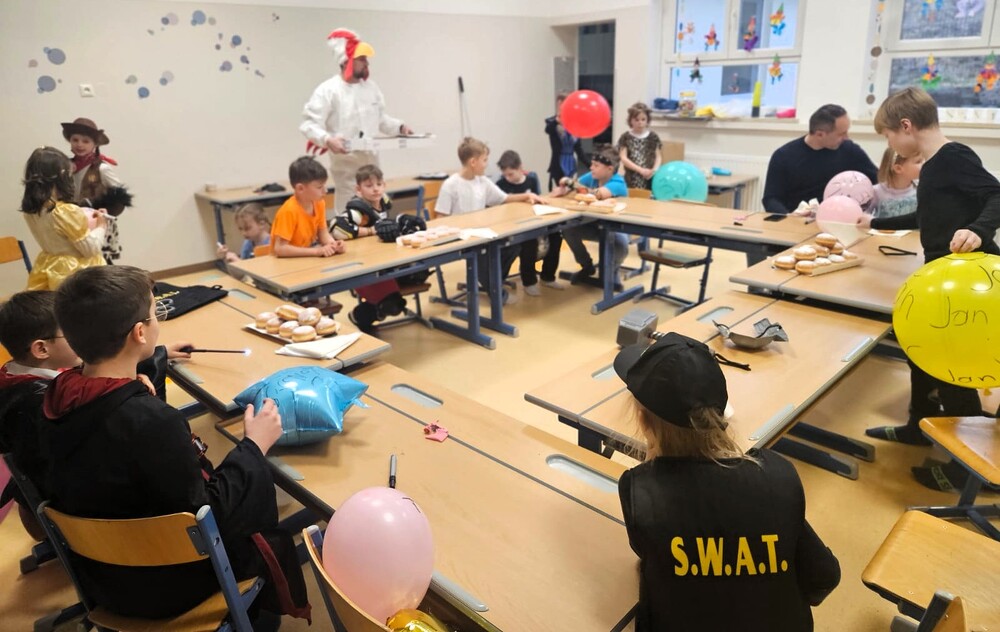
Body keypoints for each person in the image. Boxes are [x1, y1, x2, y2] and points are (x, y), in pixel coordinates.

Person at [39, 266, 309, 624]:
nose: (157, 322)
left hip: (105, 580)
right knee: (262, 528)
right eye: (156, 314)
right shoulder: (153, 423)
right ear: (139, 332)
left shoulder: (56, 398)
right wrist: (254, 445)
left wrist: (152, 359)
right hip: (171, 589)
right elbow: (210, 515)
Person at [615, 333, 841, 631]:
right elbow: (824, 576)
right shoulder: (778, 475)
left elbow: (647, 553)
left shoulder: (639, 490)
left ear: (644, 423)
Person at [858, 87, 1000, 490]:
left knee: (953, 370)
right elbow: (926, 215)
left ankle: (966, 467)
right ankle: (917, 425)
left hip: (967, 282)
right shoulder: (934, 166)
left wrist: (978, 230)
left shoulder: (953, 156)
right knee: (920, 355)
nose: (891, 145)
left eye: (889, 136)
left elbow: (996, 195)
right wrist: (872, 224)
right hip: (940, 277)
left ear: (906, 126)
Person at [300, 28, 412, 217]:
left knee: (378, 220)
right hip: (347, 172)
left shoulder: (371, 88)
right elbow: (308, 124)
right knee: (350, 220)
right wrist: (327, 140)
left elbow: (380, 119)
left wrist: (399, 127)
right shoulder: (328, 90)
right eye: (361, 59)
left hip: (373, 172)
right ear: (346, 61)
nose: (367, 63)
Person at [0, 291, 81, 542]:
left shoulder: (12, 375)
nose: (84, 335)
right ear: (42, 349)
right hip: (64, 515)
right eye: (73, 330)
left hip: (36, 503)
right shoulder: (44, 402)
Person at [435, 138, 542, 305]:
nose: (486, 165)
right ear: (473, 162)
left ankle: (493, 281)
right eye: (484, 160)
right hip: (462, 237)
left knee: (515, 244)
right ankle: (496, 292)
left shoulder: (482, 181)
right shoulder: (451, 185)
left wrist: (528, 195)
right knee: (484, 253)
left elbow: (504, 198)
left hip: (481, 234)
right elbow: (440, 218)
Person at [19, 147, 107, 290]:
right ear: (62, 175)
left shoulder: (32, 210)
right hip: (75, 273)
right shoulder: (64, 212)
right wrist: (101, 225)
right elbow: (90, 249)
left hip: (48, 267)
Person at [762, 104, 878, 214]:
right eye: (841, 134)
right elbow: (771, 199)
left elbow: (878, 179)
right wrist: (788, 217)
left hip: (840, 219)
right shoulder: (784, 156)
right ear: (820, 134)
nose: (846, 137)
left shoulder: (850, 151)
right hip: (799, 220)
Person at [552, 146, 630, 286]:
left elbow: (597, 194)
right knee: (568, 230)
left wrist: (570, 182)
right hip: (594, 225)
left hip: (616, 228)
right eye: (592, 164)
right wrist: (564, 189)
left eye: (596, 165)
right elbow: (577, 185)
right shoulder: (593, 176)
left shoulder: (618, 183)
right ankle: (586, 266)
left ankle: (612, 270)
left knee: (621, 244)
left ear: (610, 169)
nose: (591, 168)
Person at [495, 150, 566, 296]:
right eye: (505, 175)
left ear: (520, 168)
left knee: (556, 237)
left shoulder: (531, 179)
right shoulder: (500, 185)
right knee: (529, 242)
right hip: (513, 225)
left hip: (533, 219)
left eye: (511, 174)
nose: (508, 178)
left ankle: (548, 277)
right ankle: (529, 281)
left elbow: (538, 198)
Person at [61, 117, 131, 264]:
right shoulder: (66, 167)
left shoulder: (102, 168)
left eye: (86, 141)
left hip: (97, 224)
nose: (80, 144)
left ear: (95, 144)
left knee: (100, 262)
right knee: (78, 262)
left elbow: (120, 196)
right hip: (74, 224)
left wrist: (96, 207)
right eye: (75, 140)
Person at [271, 156, 346, 258]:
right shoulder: (289, 211)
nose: (325, 190)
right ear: (300, 188)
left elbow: (323, 233)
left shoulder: (319, 203)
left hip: (306, 258)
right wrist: (316, 251)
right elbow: (280, 249)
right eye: (319, 187)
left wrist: (333, 244)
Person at [545, 92, 588, 191]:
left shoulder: (575, 124)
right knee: (560, 189)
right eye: (559, 105)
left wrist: (590, 165)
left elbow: (578, 149)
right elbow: (548, 130)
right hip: (558, 163)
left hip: (570, 162)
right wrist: (557, 121)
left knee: (571, 189)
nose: (561, 108)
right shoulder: (552, 122)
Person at [617, 102, 662, 190]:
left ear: (647, 120)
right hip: (631, 177)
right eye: (636, 120)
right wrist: (640, 170)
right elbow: (623, 158)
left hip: (649, 177)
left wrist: (654, 171)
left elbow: (658, 157)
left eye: (643, 119)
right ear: (630, 121)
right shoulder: (625, 137)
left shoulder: (653, 137)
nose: (640, 123)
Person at [869, 147, 921, 219]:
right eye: (918, 161)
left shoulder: (920, 190)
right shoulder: (876, 192)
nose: (924, 164)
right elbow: (864, 216)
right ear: (898, 168)